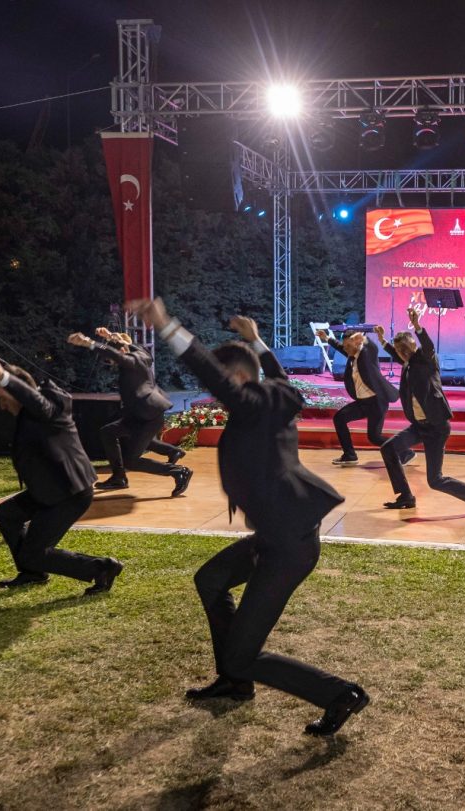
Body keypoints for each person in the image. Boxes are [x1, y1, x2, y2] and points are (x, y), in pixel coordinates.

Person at [127, 297, 368, 737]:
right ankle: (235, 681)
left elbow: (215, 376)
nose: (218, 397)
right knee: (211, 580)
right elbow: (278, 376)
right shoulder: (274, 398)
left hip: (288, 548)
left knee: (244, 653)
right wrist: (257, 341)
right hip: (277, 536)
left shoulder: (253, 405)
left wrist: (166, 324)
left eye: (225, 387)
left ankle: (339, 694)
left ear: (236, 380)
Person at [0, 340, 124, 595]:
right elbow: (25, 383)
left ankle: (101, 568)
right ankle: (33, 573)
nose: (2, 406)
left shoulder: (49, 408)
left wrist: (2, 375)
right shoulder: (33, 406)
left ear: (18, 393)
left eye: (3, 398)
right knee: (6, 515)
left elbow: (30, 395)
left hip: (69, 493)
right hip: (48, 489)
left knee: (35, 552)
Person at [376, 306, 465, 516]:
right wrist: (383, 341)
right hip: (419, 426)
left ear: (413, 346)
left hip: (436, 427)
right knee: (388, 449)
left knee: (435, 480)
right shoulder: (407, 363)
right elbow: (397, 355)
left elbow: (428, 346)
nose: (402, 352)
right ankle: (405, 496)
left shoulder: (426, 360)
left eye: (405, 348)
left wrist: (417, 326)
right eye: (400, 350)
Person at [66, 328, 192, 496]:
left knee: (131, 461)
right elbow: (127, 346)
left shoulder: (132, 361)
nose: (112, 363)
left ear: (122, 351)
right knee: (108, 432)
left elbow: (116, 354)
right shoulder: (142, 355)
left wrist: (88, 342)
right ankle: (119, 478)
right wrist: (111, 336)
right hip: (137, 414)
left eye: (111, 360)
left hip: (148, 416)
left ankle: (179, 472)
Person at [314, 326, 410, 467]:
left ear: (357, 343)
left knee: (374, 437)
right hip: (363, 403)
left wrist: (365, 339)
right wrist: (327, 338)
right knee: (339, 418)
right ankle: (350, 455)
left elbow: (372, 348)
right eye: (345, 346)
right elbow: (341, 347)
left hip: (377, 402)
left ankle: (405, 452)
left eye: (349, 346)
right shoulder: (351, 353)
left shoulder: (366, 353)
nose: (345, 348)